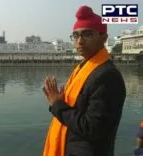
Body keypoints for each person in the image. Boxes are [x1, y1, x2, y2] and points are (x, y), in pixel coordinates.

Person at [42, 5, 126, 156]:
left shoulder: (107, 76)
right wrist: (63, 102)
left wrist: (57, 105)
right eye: (75, 35)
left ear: (104, 38)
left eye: (87, 34)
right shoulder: (83, 69)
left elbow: (92, 128)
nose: (79, 41)